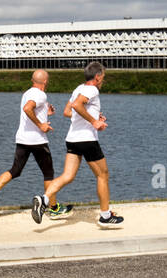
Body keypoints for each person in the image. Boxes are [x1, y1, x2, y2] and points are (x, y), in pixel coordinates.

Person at [32, 60, 123, 226]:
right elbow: (76, 105)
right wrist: (94, 122)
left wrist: (93, 117)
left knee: (68, 176)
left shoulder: (79, 88)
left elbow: (68, 112)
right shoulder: (92, 89)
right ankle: (105, 216)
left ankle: (44, 200)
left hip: (72, 139)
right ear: (97, 76)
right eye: (103, 77)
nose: (103, 80)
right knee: (103, 175)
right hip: (87, 139)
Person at [0, 69, 73, 218]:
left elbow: (29, 110)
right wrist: (41, 125)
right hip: (37, 140)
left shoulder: (27, 93)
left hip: (22, 139)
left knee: (15, 171)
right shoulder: (40, 94)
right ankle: (54, 207)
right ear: (45, 81)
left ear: (32, 80)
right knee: (48, 174)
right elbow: (27, 109)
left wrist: (44, 113)